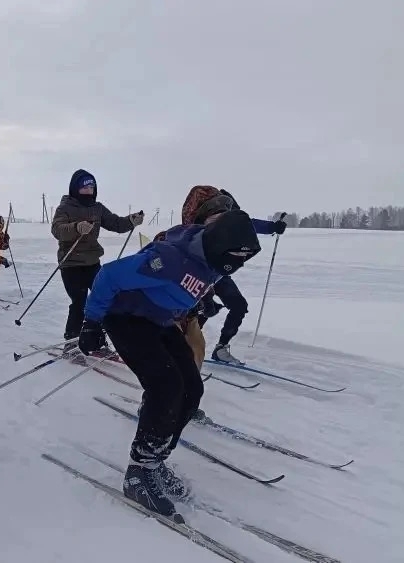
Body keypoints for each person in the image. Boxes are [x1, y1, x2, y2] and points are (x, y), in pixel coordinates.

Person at [76, 210, 262, 516]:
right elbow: (109, 275)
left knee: (191, 389)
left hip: (160, 319)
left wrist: (199, 302)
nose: (238, 268)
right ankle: (138, 471)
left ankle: (155, 459)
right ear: (221, 249)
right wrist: (92, 322)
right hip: (127, 318)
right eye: (236, 260)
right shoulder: (169, 260)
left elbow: (204, 273)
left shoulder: (214, 257)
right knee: (166, 386)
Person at [180, 186, 286, 366]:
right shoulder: (195, 221)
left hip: (219, 270)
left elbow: (245, 223)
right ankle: (180, 348)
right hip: (194, 270)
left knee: (237, 306)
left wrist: (272, 227)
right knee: (197, 310)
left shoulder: (224, 210)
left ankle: (220, 347)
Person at [51, 169, 143, 342]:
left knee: (104, 299)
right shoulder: (65, 208)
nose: (88, 190)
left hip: (92, 262)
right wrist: (77, 227)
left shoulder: (97, 208)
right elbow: (57, 229)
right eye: (84, 186)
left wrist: (131, 220)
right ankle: (72, 339)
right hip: (71, 263)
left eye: (91, 186)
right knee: (80, 302)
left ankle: (98, 338)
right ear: (75, 188)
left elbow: (115, 223)